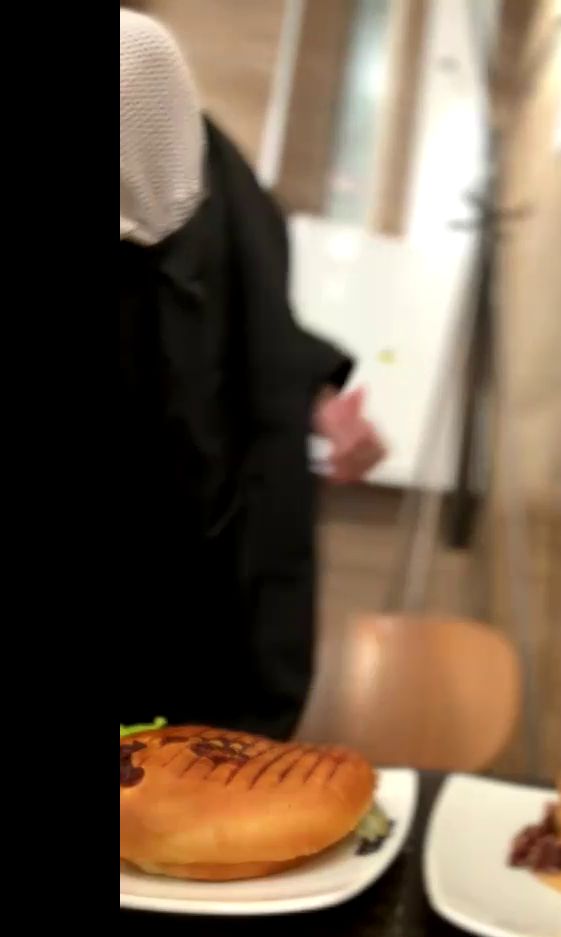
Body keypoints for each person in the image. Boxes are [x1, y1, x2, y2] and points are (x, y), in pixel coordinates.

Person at [119, 9, 385, 739]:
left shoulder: (181, 123)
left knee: (203, 767)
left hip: (204, 558)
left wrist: (312, 395)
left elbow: (248, 325)